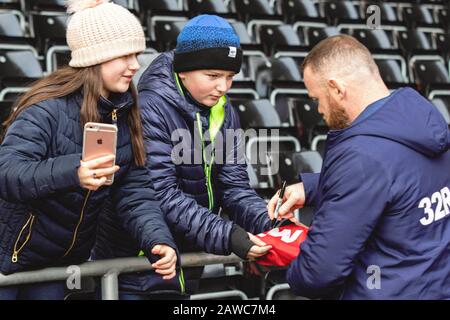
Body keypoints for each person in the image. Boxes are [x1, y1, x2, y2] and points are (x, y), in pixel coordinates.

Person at [0, 0, 177, 300]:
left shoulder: (124, 111)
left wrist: (157, 240)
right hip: (8, 259)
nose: (135, 65)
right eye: (124, 55)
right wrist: (74, 172)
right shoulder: (46, 108)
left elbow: (134, 190)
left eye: (135, 54)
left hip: (58, 263)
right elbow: (7, 174)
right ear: (96, 58)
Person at [92, 14, 273, 298]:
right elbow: (160, 193)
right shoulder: (148, 108)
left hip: (187, 260)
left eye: (230, 77)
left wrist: (270, 224)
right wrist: (227, 235)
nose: (223, 87)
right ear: (184, 70)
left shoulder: (224, 110)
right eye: (213, 76)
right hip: (140, 260)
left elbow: (235, 187)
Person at [268, 35, 450, 299]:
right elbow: (399, 180)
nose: (318, 109)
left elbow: (319, 272)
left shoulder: (361, 155)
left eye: (317, 98)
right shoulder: (420, 121)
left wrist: (284, 271)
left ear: (337, 89)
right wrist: (312, 188)